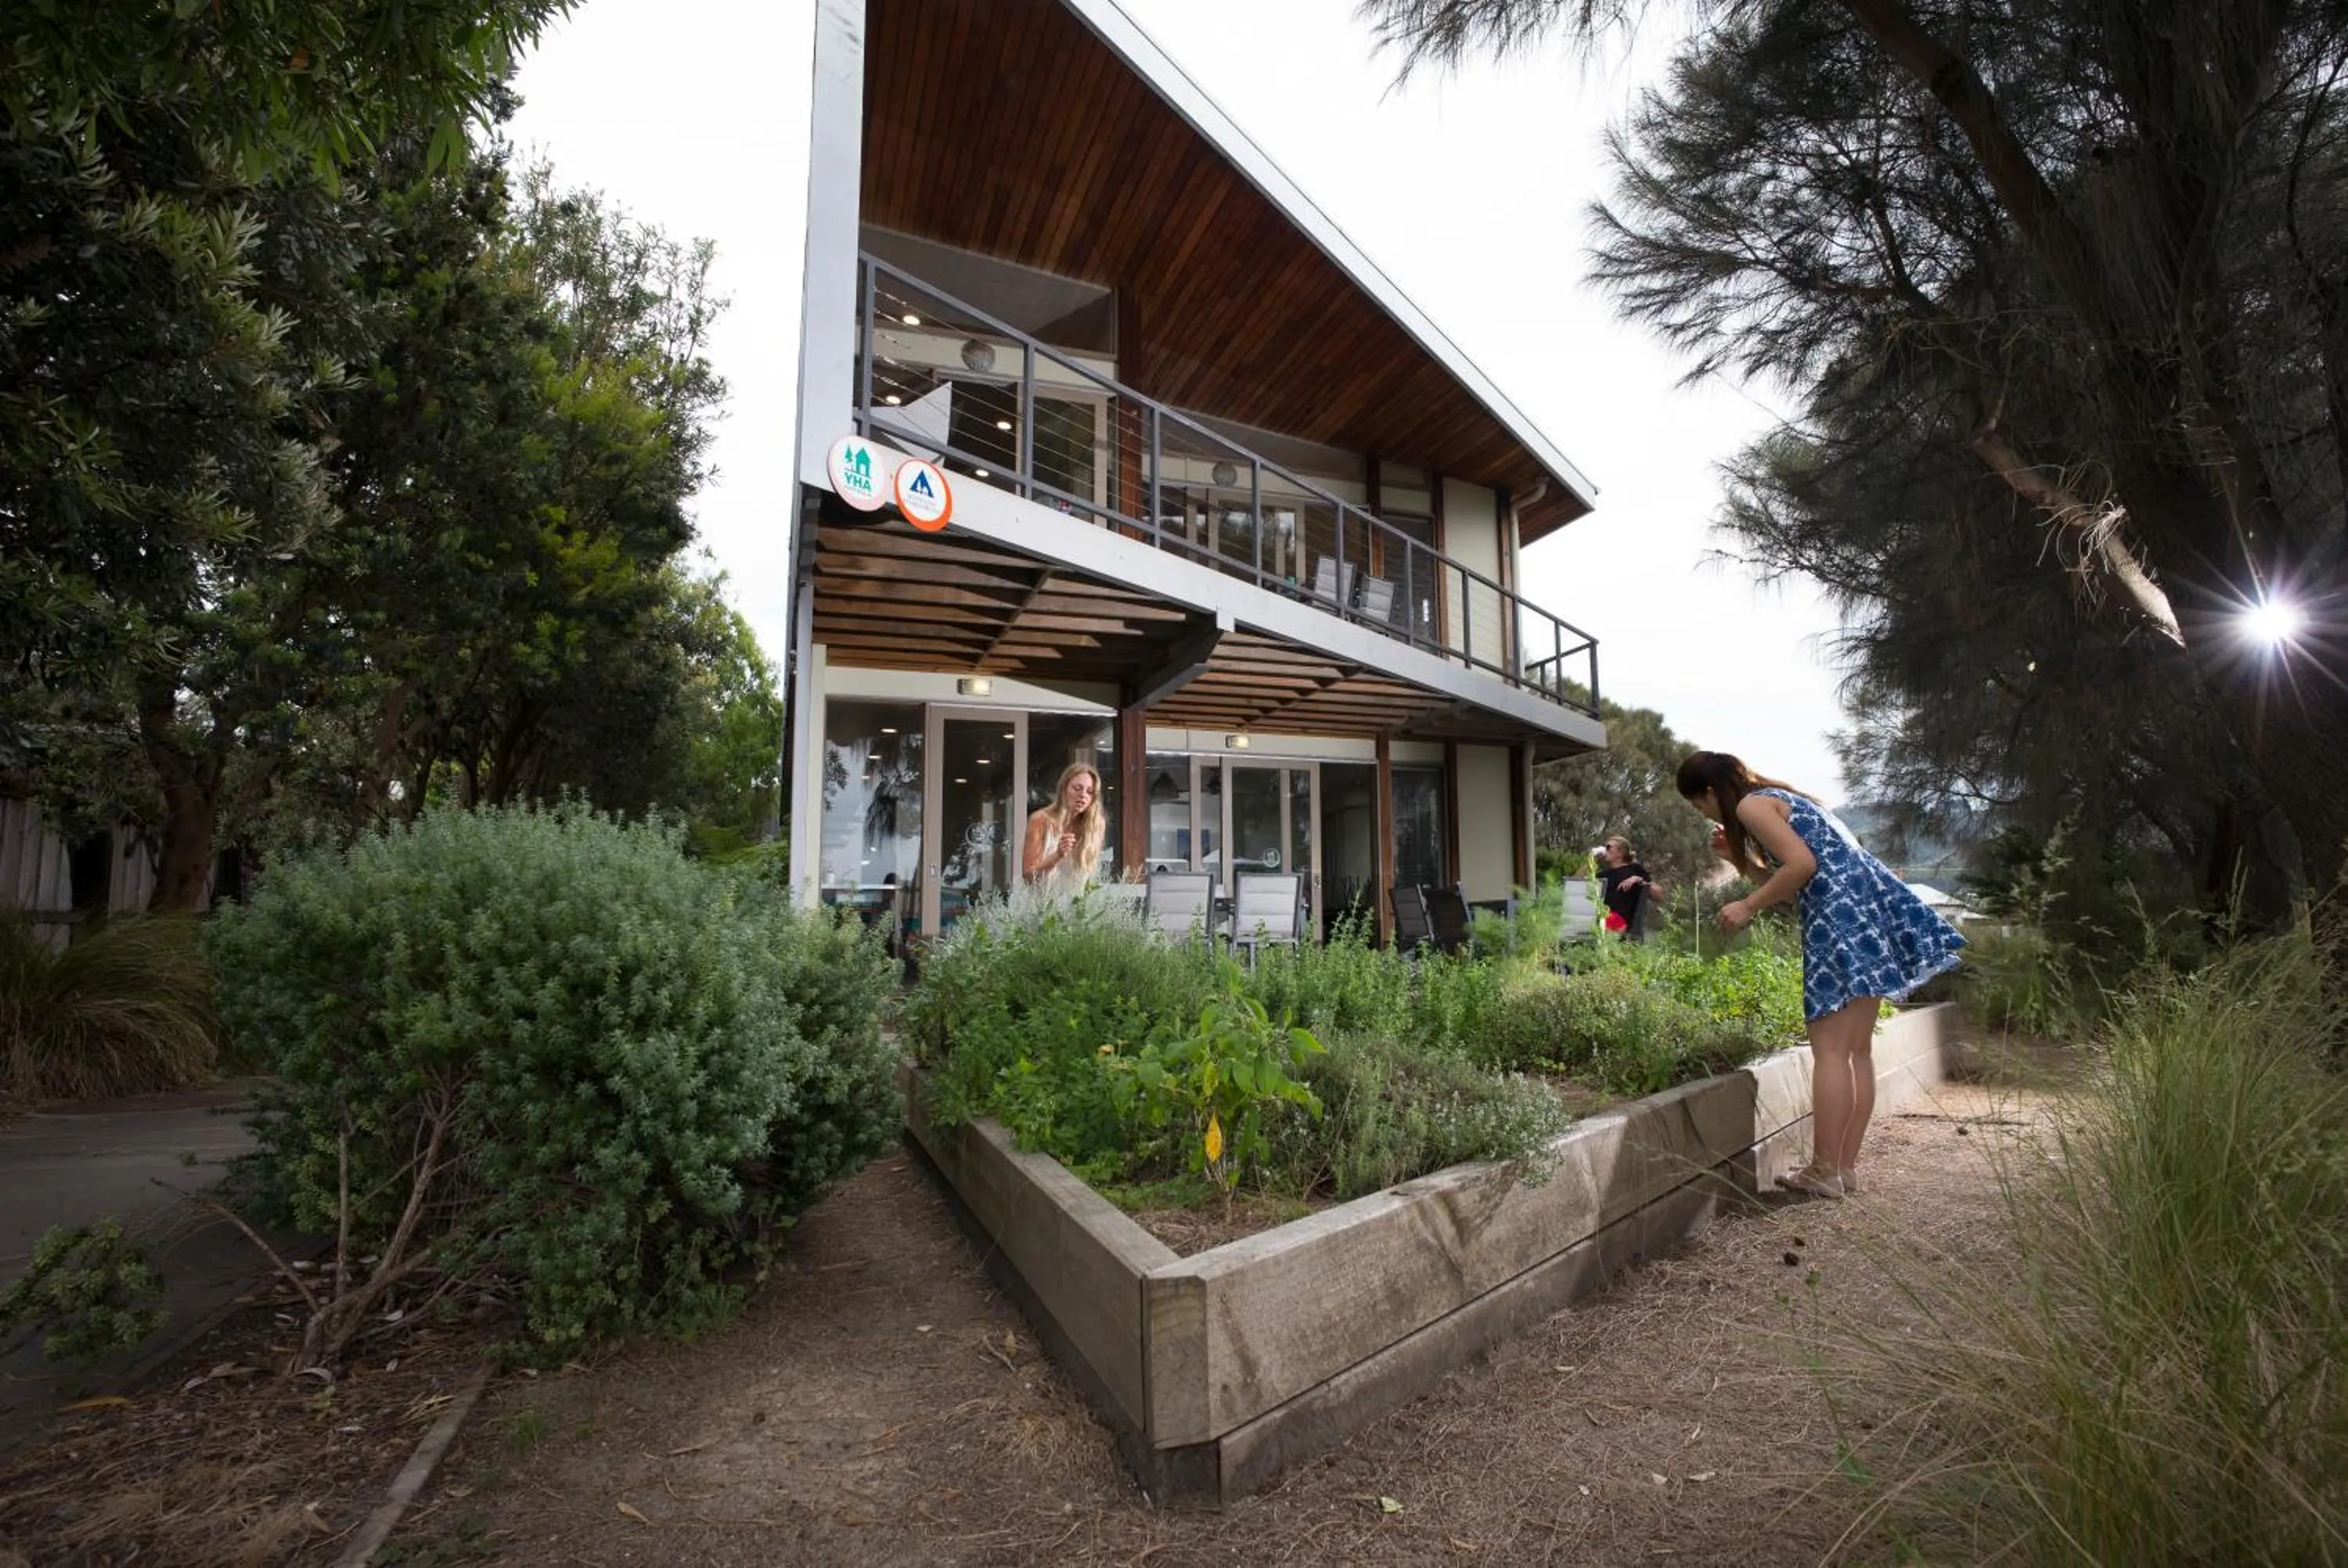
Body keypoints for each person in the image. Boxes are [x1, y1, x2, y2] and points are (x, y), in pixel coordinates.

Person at [1675, 750, 1964, 1200]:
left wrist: (1747, 906)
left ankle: (1824, 1169)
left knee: (1830, 1052)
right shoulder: (1784, 798)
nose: (1703, 814)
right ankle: (1841, 1170)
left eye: (1698, 805)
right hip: (1867, 915)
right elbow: (1798, 874)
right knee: (1856, 1052)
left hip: (1838, 924)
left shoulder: (1751, 806)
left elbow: (1802, 868)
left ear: (1711, 792)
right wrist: (1738, 860)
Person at [1022, 761, 1104, 895]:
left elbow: (1090, 878)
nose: (1083, 795)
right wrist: (1057, 855)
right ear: (1064, 789)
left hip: (1075, 909)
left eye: (1090, 792)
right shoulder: (1040, 820)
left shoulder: (1096, 825)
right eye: (1077, 788)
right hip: (1037, 907)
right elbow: (1028, 877)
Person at [1594, 836, 1659, 940]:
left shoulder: (1634, 869)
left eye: (1608, 847)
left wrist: (1639, 879)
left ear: (1621, 852)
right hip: (1602, 918)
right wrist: (1591, 860)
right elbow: (1574, 884)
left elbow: (1658, 895)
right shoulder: (1603, 875)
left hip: (1620, 922)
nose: (1605, 850)